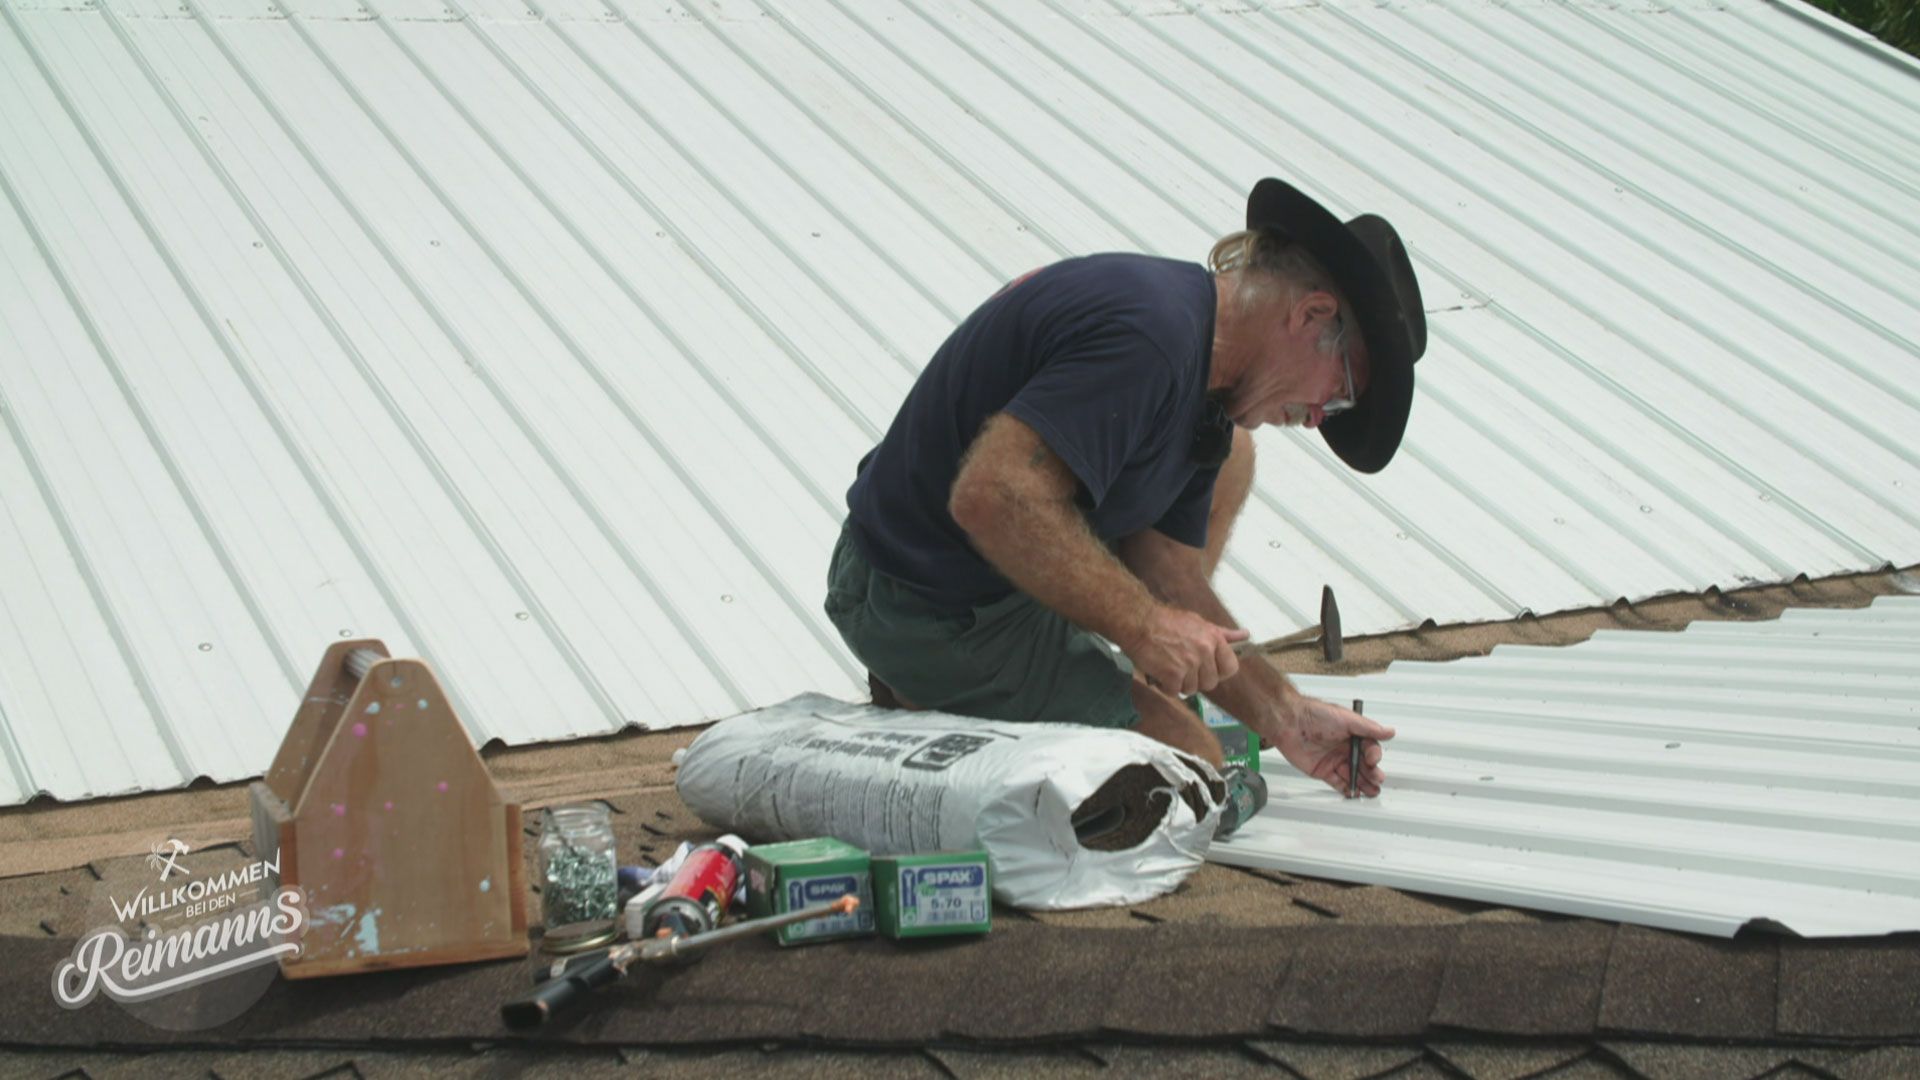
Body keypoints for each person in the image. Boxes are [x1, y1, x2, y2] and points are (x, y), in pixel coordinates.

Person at [823, 178, 1427, 797]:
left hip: (995, 581)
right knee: (1184, 769)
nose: (1323, 415)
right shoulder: (1151, 340)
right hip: (917, 599)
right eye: (1342, 388)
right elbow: (993, 495)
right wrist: (1145, 627)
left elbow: (1168, 574)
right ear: (1311, 314)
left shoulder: (1208, 375)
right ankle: (926, 702)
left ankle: (1034, 694)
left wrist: (1288, 717)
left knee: (1233, 458)